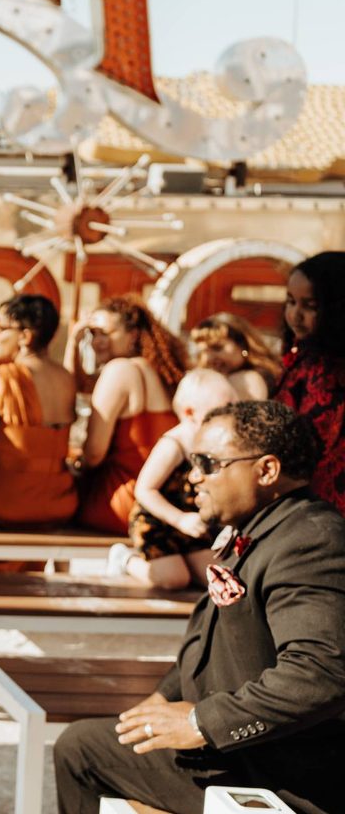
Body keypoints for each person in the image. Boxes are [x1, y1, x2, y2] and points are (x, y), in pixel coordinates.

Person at [54, 401, 345, 814]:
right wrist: (160, 699)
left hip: (281, 771)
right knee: (98, 741)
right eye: (193, 462)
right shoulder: (258, 528)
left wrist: (200, 723)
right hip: (238, 749)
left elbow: (321, 673)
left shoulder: (311, 539)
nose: (193, 477)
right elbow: (208, 643)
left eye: (208, 463)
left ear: (266, 471)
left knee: (81, 752)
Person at [69, 296, 187, 534]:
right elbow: (79, 385)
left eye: (105, 333)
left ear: (132, 335)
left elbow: (93, 454)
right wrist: (74, 343)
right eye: (92, 335)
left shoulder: (119, 370)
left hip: (121, 503)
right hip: (163, 505)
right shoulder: (163, 372)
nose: (97, 342)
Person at [110, 368, 237, 589]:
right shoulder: (174, 443)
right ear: (190, 413)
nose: (231, 416)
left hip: (194, 526)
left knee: (215, 575)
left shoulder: (214, 443)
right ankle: (125, 560)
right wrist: (179, 519)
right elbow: (144, 490)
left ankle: (185, 560)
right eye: (223, 410)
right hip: (158, 523)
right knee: (174, 579)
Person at [0, 294, 78, 527]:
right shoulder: (67, 379)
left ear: (25, 336)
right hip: (60, 501)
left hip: (5, 500)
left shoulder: (2, 377)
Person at [274, 251, 345, 513]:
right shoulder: (302, 358)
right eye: (291, 302)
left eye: (310, 306)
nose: (295, 315)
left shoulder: (325, 369)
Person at [190, 313, 280, 401]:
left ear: (243, 345)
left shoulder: (248, 379)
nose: (208, 358)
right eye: (202, 352)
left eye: (217, 348)